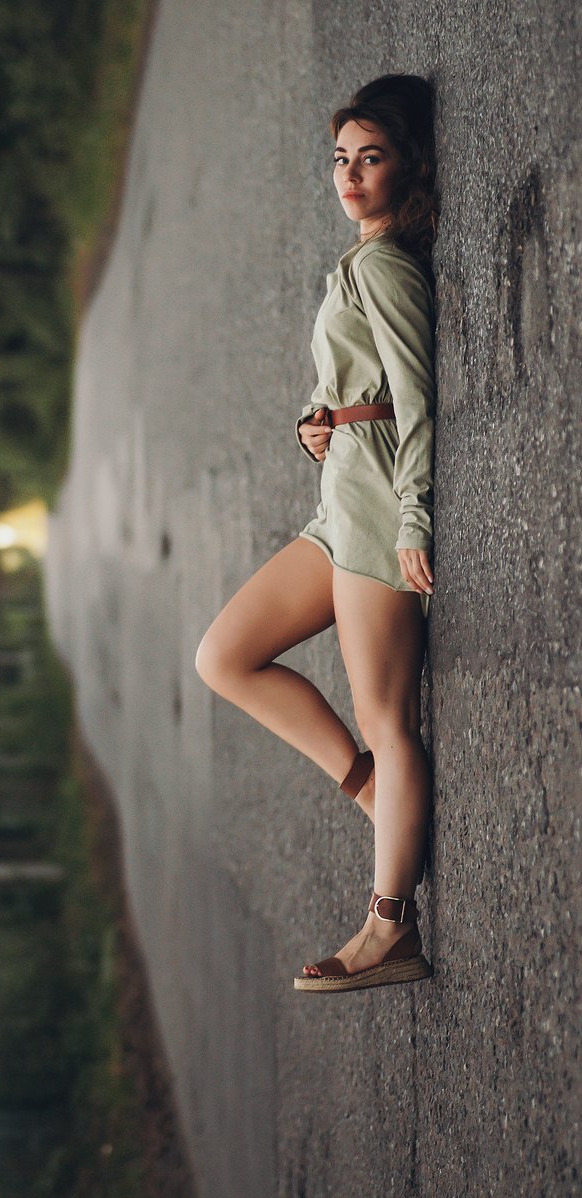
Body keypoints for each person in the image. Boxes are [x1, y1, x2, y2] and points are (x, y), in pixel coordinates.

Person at [194, 74, 438, 993]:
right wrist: (317, 418)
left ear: (406, 167)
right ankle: (371, 790)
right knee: (224, 657)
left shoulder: (385, 266)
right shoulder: (359, 260)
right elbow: (358, 380)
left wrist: (414, 515)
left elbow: (415, 396)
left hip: (373, 511)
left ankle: (389, 929)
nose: (350, 175)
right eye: (341, 158)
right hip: (335, 509)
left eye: (371, 158)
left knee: (386, 717)